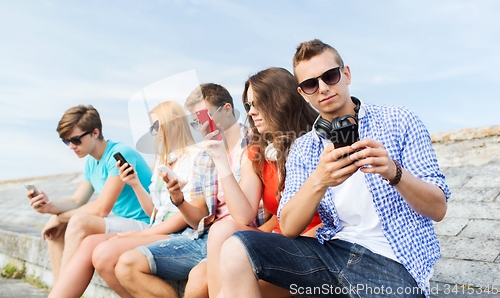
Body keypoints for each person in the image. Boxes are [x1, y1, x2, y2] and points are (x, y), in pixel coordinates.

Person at [218, 39, 450, 298]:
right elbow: (290, 226)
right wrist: (319, 180)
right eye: (310, 84)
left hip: (393, 261)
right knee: (235, 249)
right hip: (331, 253)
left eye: (330, 76)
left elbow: (438, 208)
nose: (323, 88)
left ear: (346, 74)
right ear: (302, 93)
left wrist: (394, 172)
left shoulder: (399, 120)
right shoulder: (304, 148)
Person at [112, 83, 254, 298]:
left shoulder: (254, 145)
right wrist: (179, 200)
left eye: (204, 117)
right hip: (203, 235)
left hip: (238, 236)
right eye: (196, 122)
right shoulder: (204, 156)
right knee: (126, 265)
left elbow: (258, 213)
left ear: (227, 110)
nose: (202, 127)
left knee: (197, 283)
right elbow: (198, 216)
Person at [47, 101, 200, 298]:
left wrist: (143, 235)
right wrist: (135, 183)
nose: (153, 133)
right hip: (156, 225)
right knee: (88, 246)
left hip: (175, 232)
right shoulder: (164, 162)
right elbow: (154, 211)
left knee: (91, 240)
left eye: (155, 127)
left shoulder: (196, 159)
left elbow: (102, 208)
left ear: (176, 124)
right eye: (66, 141)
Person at [201, 67, 323, 298]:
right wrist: (220, 159)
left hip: (313, 242)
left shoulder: (316, 143)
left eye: (258, 104)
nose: (252, 112)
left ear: (281, 100)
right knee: (221, 229)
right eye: (248, 106)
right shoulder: (257, 150)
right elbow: (244, 215)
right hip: (280, 239)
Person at [27, 105, 152, 282]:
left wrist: (60, 217)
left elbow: (102, 208)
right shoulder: (91, 163)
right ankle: (58, 290)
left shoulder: (119, 153)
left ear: (95, 132)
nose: (71, 146)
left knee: (77, 221)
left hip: (148, 223)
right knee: (56, 230)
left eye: (76, 140)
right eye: (66, 141)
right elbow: (77, 200)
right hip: (126, 222)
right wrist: (49, 208)